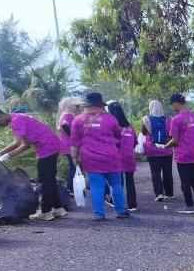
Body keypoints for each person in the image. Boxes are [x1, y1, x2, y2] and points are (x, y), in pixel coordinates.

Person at [0, 107, 67, 221]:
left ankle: (46, 211)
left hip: (47, 148)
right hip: (51, 145)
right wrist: (0, 154)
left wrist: (4, 155)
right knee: (50, 179)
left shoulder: (16, 121)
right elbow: (26, 143)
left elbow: (21, 144)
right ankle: (59, 209)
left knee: (45, 181)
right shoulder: (18, 117)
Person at [70, 91, 128, 220]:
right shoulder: (110, 119)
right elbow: (118, 136)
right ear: (101, 105)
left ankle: (99, 213)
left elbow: (74, 143)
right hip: (111, 157)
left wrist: (74, 158)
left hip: (91, 159)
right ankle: (121, 211)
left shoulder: (77, 120)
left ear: (86, 105)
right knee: (116, 185)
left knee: (97, 186)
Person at [164, 93, 194, 214]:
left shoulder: (176, 119)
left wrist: (165, 146)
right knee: (193, 178)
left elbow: (175, 140)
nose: (173, 107)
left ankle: (189, 206)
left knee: (185, 181)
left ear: (176, 103)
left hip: (182, 154)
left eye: (172, 105)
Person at [107, 101, 138, 211]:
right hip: (129, 157)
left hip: (117, 158)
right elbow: (135, 142)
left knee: (117, 182)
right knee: (130, 181)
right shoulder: (129, 127)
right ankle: (132, 204)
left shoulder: (111, 126)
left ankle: (117, 203)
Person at [141, 99, 174, 201]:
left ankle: (159, 193)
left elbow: (144, 132)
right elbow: (171, 134)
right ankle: (169, 193)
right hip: (166, 149)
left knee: (155, 173)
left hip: (152, 150)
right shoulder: (168, 119)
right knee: (167, 172)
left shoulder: (146, 119)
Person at [56, 97, 81, 194]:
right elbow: (64, 125)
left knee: (73, 167)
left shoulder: (64, 115)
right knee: (74, 167)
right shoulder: (68, 115)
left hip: (66, 145)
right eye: (76, 106)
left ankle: (71, 189)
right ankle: (71, 189)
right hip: (70, 145)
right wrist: (74, 137)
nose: (78, 108)